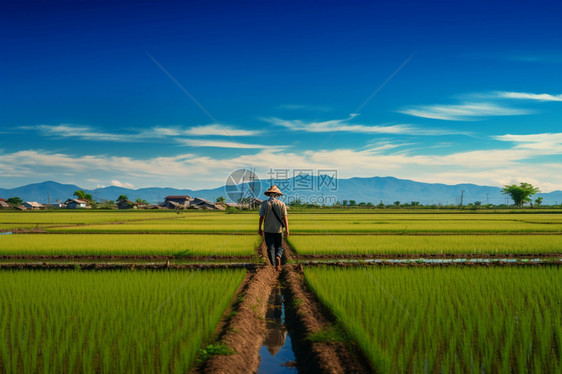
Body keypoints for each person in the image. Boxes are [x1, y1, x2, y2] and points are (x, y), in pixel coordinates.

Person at [258, 185, 289, 271]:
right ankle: (278, 256)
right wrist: (287, 229)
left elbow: (261, 217)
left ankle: (273, 264)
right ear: (277, 195)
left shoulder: (264, 204)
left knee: (270, 247)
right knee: (279, 246)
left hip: (268, 229)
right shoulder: (281, 204)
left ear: (269, 194)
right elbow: (285, 218)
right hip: (278, 230)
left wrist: (260, 228)